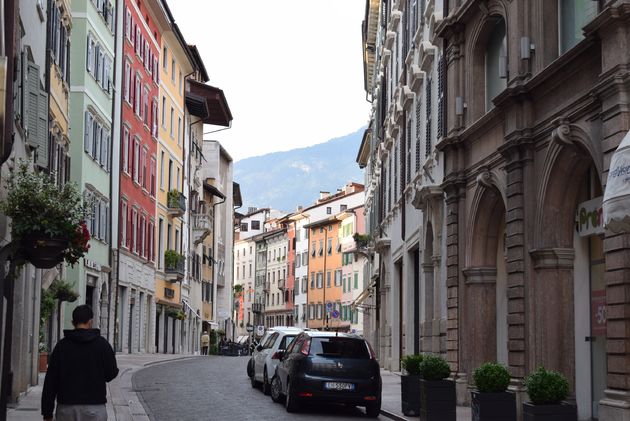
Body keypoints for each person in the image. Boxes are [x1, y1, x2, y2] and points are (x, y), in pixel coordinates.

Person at [42, 305, 119, 421]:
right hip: (94, 407)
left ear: (73, 323)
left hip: (66, 407)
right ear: (90, 322)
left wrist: (47, 412)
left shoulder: (61, 346)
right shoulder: (102, 344)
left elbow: (50, 381)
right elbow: (112, 373)